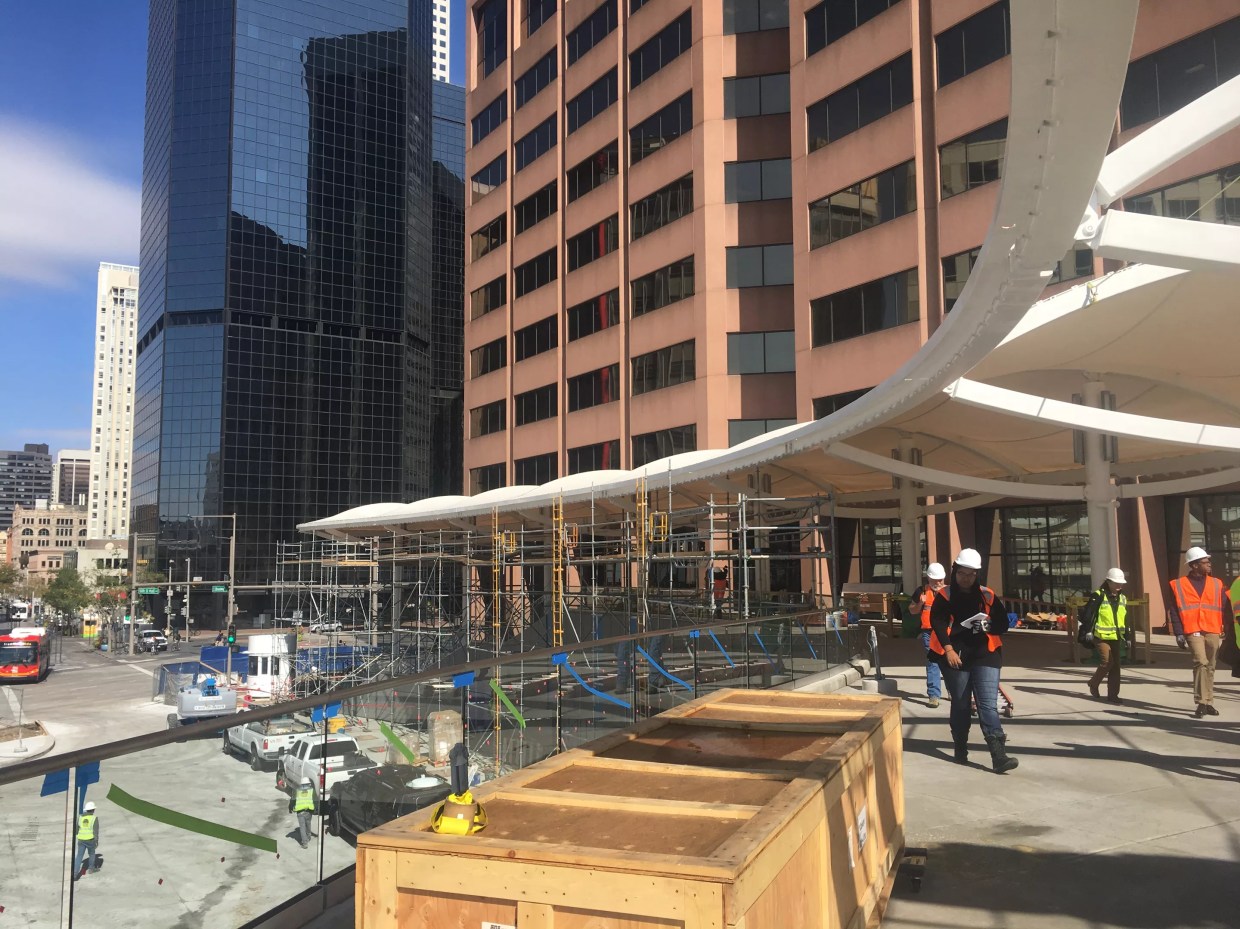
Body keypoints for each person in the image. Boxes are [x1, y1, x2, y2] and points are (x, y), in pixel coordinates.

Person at [928, 548, 1017, 773]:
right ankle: (960, 747)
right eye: (962, 573)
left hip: (985, 653)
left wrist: (987, 625)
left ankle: (999, 756)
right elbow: (937, 623)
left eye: (971, 574)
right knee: (961, 703)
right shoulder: (945, 595)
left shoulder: (987, 595)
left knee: (988, 704)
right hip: (955, 655)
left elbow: (1003, 623)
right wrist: (948, 650)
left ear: (977, 574)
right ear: (955, 571)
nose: (966, 578)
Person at [1168, 547, 1233, 718]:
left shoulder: (1217, 583)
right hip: (1192, 629)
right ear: (1194, 565)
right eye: (1205, 562)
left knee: (1210, 666)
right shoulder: (1178, 584)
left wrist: (1227, 627)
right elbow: (1174, 610)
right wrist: (1178, 632)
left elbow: (1226, 607)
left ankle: (1209, 701)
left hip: (1212, 628)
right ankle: (1201, 702)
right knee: (1200, 662)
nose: (1209, 565)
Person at [1079, 568, 1129, 704]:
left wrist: (1128, 637)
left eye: (1121, 583)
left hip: (1116, 636)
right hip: (1100, 635)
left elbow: (1125, 618)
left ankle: (1113, 695)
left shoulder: (1123, 598)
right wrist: (1088, 631)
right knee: (1107, 662)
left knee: (1116, 666)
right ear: (1108, 581)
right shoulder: (1098, 595)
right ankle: (1093, 683)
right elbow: (1089, 614)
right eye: (1116, 583)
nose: (1119, 586)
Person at [913, 563, 948, 707]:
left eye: (940, 580)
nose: (938, 583)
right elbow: (912, 611)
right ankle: (934, 695)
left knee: (949, 660)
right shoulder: (921, 592)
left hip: (947, 632)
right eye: (935, 580)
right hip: (929, 632)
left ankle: (953, 690)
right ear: (928, 578)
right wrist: (920, 604)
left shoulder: (949, 592)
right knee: (933, 662)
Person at [289, 777, 319, 848]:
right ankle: (308, 837)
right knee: (308, 824)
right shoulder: (312, 791)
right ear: (309, 784)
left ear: (301, 784)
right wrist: (316, 809)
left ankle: (305, 843)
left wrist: (290, 808)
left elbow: (292, 800)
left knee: (302, 827)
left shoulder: (297, 791)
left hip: (300, 812)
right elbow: (316, 801)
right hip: (309, 812)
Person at [73, 801, 99, 879]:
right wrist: (96, 840)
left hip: (81, 839)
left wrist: (78, 835)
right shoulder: (94, 818)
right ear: (93, 810)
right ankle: (91, 869)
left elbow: (77, 829)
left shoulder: (80, 817)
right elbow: (95, 831)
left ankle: (74, 874)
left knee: (79, 856)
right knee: (91, 854)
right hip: (90, 840)